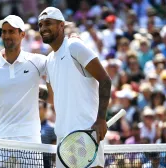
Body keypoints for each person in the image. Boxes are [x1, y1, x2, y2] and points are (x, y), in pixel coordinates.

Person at [38, 7, 112, 168]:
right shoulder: (49, 60)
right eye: (41, 25)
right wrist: (31, 90)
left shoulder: (74, 47)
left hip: (86, 135)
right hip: (63, 140)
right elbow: (52, 98)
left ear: (61, 25)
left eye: (48, 23)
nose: (43, 28)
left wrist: (101, 119)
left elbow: (105, 80)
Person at [0, 15, 47, 167]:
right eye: (4, 32)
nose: (6, 35)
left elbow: (60, 68)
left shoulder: (37, 61)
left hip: (30, 139)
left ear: (22, 35)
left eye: (11, 31)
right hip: (2, 140)